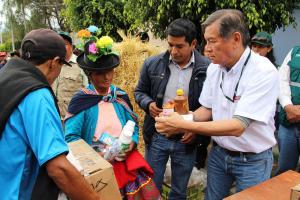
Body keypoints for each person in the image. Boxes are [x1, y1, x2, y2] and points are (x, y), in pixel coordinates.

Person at [155, 9, 279, 200]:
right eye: (206, 41)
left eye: (212, 41)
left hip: (252, 160)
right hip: (219, 154)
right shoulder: (215, 68)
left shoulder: (263, 72)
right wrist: (179, 117)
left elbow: (238, 126)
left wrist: (182, 124)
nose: (206, 48)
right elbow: (207, 109)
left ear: (235, 39)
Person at [0, 29, 100, 200]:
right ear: (54, 62)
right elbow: (58, 168)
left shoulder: (6, 77)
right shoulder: (37, 94)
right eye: (61, 65)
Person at [64, 30, 160, 199]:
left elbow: (133, 125)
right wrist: (96, 156)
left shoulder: (119, 96)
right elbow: (72, 138)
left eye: (110, 70)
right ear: (90, 74)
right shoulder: (81, 100)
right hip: (99, 167)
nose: (107, 76)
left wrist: (132, 144)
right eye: (100, 73)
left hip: (126, 162)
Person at [134, 18, 210, 199]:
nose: (173, 51)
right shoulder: (153, 64)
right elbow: (139, 91)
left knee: (179, 190)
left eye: (179, 46)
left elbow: (211, 106)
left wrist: (196, 131)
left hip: (186, 139)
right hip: (158, 135)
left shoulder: (208, 69)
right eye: (170, 45)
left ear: (193, 44)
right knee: (151, 187)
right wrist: (148, 104)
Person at [52, 31, 88, 120]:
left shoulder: (80, 64)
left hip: (73, 117)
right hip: (55, 117)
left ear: (71, 46)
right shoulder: (53, 64)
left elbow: (87, 91)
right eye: (58, 45)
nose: (61, 47)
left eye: (64, 44)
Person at [276, 46, 300, 175]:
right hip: (288, 123)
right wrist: (288, 106)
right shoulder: (295, 51)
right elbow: (281, 80)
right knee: (284, 170)